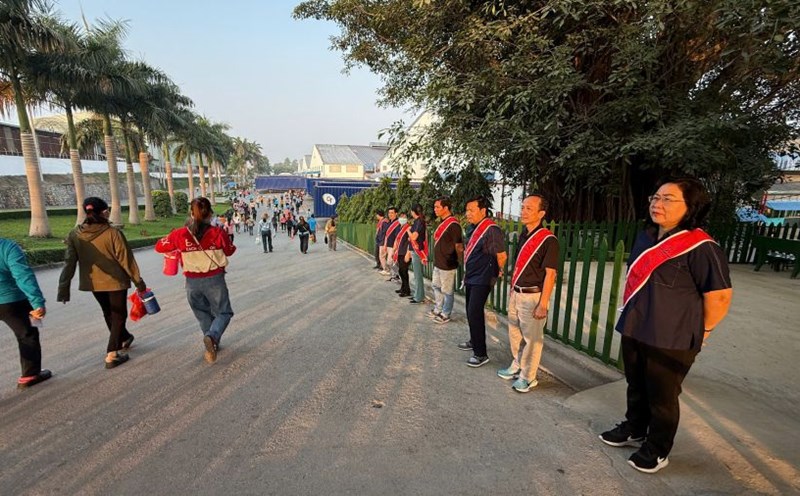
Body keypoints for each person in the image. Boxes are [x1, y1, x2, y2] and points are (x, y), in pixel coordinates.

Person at [598, 178, 732, 473]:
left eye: (668, 199)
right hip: (635, 326)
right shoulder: (646, 236)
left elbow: (720, 297)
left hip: (671, 337)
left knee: (663, 396)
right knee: (635, 385)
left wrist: (704, 330)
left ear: (691, 207)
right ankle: (634, 428)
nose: (657, 204)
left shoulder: (701, 247)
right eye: (655, 197)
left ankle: (657, 449)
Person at [58, 197, 147, 369]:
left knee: (108, 312)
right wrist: (139, 282)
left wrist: (63, 288)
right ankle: (112, 354)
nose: (108, 212)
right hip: (115, 282)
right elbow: (126, 260)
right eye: (107, 209)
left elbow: (69, 263)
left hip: (93, 283)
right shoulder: (113, 233)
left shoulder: (75, 234)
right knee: (118, 315)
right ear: (103, 212)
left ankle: (124, 337)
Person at [155, 197, 237, 363]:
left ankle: (212, 341)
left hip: (192, 282)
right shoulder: (217, 232)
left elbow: (160, 246)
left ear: (191, 213)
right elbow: (229, 251)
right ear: (210, 214)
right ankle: (212, 337)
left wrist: (177, 241)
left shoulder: (180, 234)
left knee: (202, 312)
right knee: (224, 312)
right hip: (214, 279)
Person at [497, 194, 559, 393]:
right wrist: (513, 289)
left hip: (533, 297)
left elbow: (550, 274)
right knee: (514, 332)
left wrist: (543, 304)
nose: (523, 211)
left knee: (532, 339)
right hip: (517, 293)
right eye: (523, 207)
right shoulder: (524, 234)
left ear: (541, 213)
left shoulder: (549, 240)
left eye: (529, 208)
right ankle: (517, 365)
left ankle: (528, 377)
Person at [457, 196, 507, 368]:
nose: (468, 214)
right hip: (471, 275)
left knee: (474, 311)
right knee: (470, 311)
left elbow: (501, 256)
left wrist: (496, 271)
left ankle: (480, 354)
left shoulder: (492, 230)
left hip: (483, 278)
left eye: (471, 210)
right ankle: (474, 340)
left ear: (483, 210)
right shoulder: (472, 228)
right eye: (467, 210)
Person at [0, 237, 51, 388]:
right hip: (12, 301)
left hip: (11, 300)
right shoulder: (7, 247)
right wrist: (37, 303)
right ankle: (30, 374)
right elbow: (23, 275)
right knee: (27, 335)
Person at [430, 197, 464, 324]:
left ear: (446, 208)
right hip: (438, 262)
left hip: (448, 263)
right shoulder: (442, 222)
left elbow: (459, 246)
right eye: (434, 207)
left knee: (447, 290)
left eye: (437, 207)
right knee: (436, 286)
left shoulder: (454, 225)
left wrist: (460, 261)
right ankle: (438, 309)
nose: (435, 209)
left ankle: (446, 313)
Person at [407, 204, 428, 304]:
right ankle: (417, 295)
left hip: (417, 251)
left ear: (413, 211)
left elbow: (414, 237)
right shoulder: (417, 222)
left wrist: (407, 230)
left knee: (418, 275)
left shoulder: (419, 222)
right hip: (414, 250)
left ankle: (419, 297)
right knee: (416, 275)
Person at [393, 212, 412, 297]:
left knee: (404, 271)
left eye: (404, 217)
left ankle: (407, 290)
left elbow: (411, 241)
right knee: (401, 271)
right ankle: (403, 288)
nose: (402, 219)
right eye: (401, 217)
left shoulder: (409, 228)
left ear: (407, 219)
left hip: (405, 253)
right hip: (399, 252)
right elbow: (397, 240)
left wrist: (408, 253)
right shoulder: (400, 228)